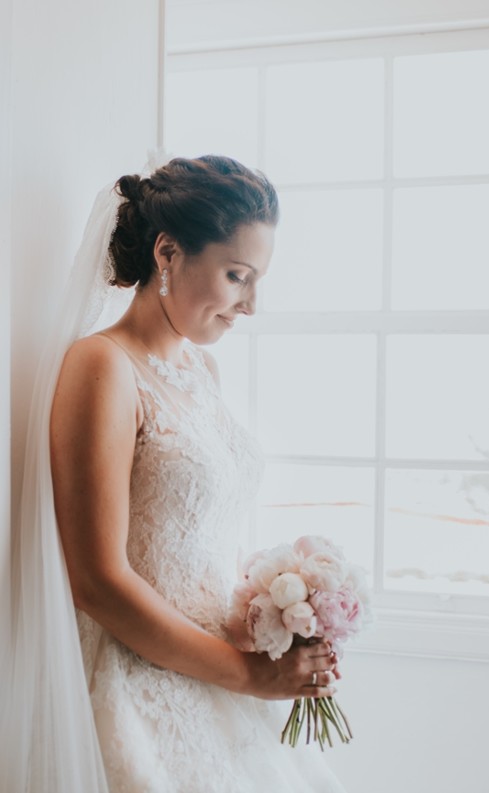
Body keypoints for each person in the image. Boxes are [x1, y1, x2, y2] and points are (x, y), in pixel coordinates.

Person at [3, 156, 346, 792]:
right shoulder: (101, 368)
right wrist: (251, 676)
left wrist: (277, 618)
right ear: (167, 253)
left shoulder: (199, 371)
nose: (249, 305)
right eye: (237, 275)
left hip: (221, 666)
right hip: (144, 683)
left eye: (257, 280)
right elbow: (98, 582)